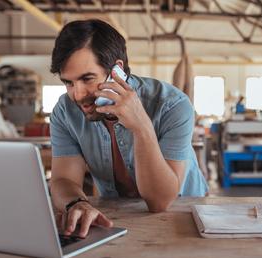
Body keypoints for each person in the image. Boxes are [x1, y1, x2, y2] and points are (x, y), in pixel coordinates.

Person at [49, 19, 208, 238]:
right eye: (68, 82)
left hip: (186, 215)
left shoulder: (173, 105)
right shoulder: (65, 112)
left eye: (87, 79)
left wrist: (141, 126)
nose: (77, 94)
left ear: (117, 70)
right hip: (115, 216)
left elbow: (159, 202)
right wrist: (76, 203)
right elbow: (63, 180)